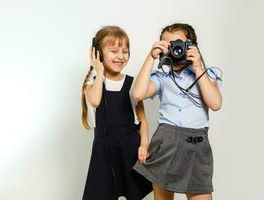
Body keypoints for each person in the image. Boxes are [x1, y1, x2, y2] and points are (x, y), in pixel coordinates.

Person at [132, 23, 222, 200]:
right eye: (168, 45)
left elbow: (215, 103)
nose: (175, 50)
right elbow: (138, 93)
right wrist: (150, 57)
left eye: (179, 44)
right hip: (165, 143)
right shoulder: (162, 77)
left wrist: (197, 67)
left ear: (192, 46)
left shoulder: (207, 74)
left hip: (197, 146)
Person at [81, 25, 152, 200]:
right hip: (104, 150)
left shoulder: (133, 84)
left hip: (130, 147)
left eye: (125, 51)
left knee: (134, 194)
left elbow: (142, 119)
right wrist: (99, 71)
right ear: (98, 53)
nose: (121, 56)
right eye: (113, 51)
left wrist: (144, 144)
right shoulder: (91, 83)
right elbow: (96, 101)